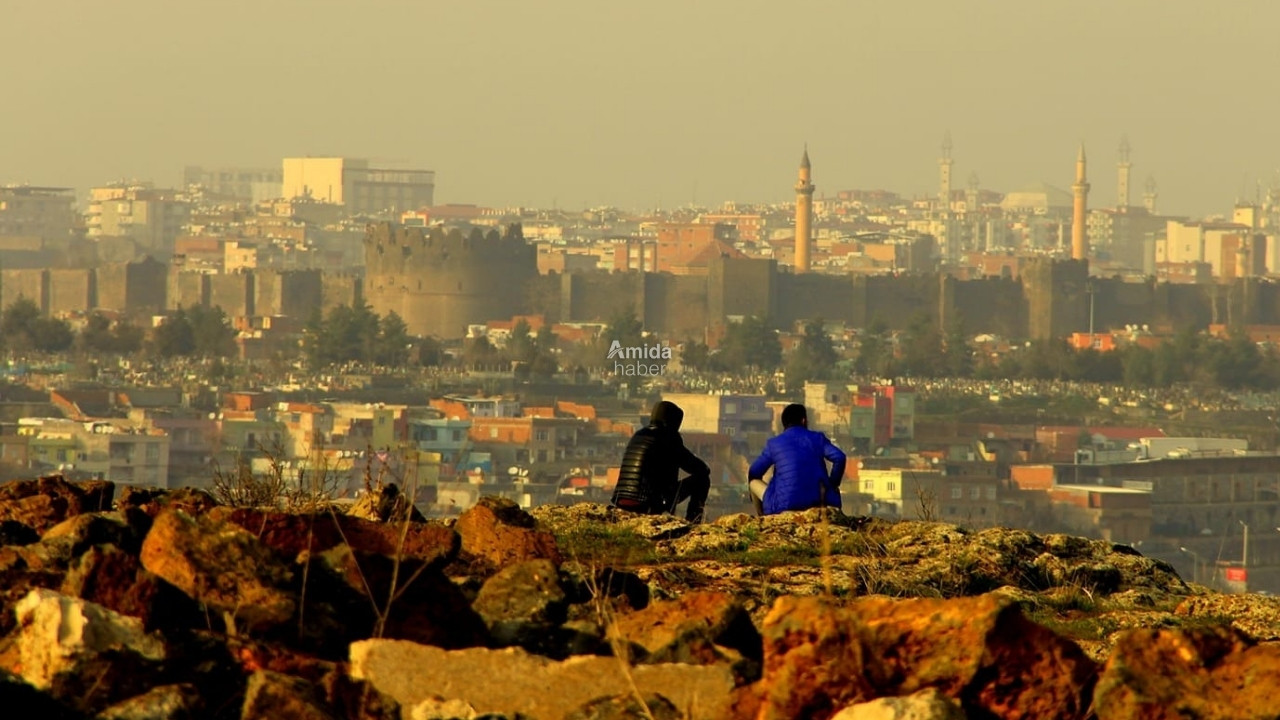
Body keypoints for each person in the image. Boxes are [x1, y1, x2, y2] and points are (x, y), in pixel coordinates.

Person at [611, 400, 711, 523]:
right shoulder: (668, 437)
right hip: (648, 502)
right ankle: (693, 521)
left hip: (621, 500)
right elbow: (700, 469)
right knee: (702, 480)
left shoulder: (638, 435)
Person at [747, 403, 846, 515]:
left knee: (753, 483)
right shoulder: (817, 438)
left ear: (784, 424)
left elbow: (754, 471)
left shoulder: (774, 444)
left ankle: (763, 520)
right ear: (803, 421)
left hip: (783, 505)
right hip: (819, 502)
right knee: (833, 489)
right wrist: (833, 483)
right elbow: (840, 457)